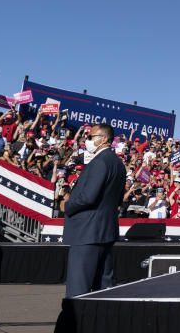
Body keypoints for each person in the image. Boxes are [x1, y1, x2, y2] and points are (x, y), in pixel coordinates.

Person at [62, 123, 126, 298]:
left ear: (104, 139)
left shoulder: (99, 162)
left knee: (78, 290)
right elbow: (118, 200)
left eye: (90, 137)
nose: (87, 140)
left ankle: (75, 325)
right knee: (104, 290)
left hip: (87, 232)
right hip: (106, 231)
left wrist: (66, 205)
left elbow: (88, 197)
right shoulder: (118, 164)